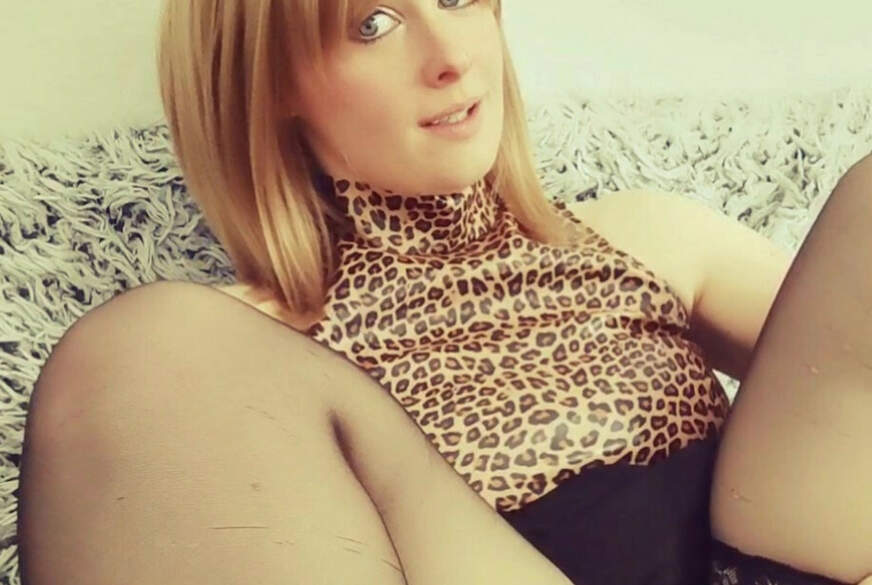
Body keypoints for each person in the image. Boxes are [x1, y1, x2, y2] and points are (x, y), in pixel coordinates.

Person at [14, 0, 872, 583]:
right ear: (271, 81)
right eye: (374, 23)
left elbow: (835, 404)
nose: (451, 57)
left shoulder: (648, 234)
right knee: (144, 354)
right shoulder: (225, 368)